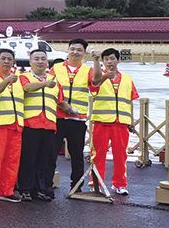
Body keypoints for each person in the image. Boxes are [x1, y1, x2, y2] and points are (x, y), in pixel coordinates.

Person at [89, 48, 139, 195]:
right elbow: (94, 84)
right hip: (102, 122)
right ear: (103, 61)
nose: (109, 61)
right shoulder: (98, 75)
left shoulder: (128, 78)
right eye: (106, 59)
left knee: (121, 155)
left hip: (121, 123)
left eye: (112, 58)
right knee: (98, 154)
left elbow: (130, 101)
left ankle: (120, 184)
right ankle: (96, 184)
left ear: (118, 60)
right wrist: (103, 73)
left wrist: (131, 121)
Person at [18, 49, 65, 201]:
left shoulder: (54, 81)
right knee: (28, 159)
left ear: (47, 62)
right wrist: (44, 84)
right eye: (36, 59)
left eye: (43, 59)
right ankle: (25, 189)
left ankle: (39, 189)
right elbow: (27, 88)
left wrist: (74, 111)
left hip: (49, 124)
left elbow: (60, 101)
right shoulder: (23, 77)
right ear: (30, 62)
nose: (40, 61)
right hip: (30, 123)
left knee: (44, 160)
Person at [0, 48, 24, 203]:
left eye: (9, 59)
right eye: (3, 58)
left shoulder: (19, 77)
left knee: (12, 160)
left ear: (14, 61)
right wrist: (7, 81)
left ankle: (7, 190)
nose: (6, 62)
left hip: (16, 124)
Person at [53, 38, 91, 190]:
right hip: (58, 117)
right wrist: (64, 106)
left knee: (77, 155)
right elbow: (51, 89)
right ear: (67, 50)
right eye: (72, 49)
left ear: (84, 53)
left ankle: (76, 186)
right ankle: (46, 185)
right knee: (51, 153)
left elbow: (96, 85)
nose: (75, 52)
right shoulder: (56, 68)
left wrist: (97, 62)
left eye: (79, 50)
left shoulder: (88, 70)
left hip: (77, 119)